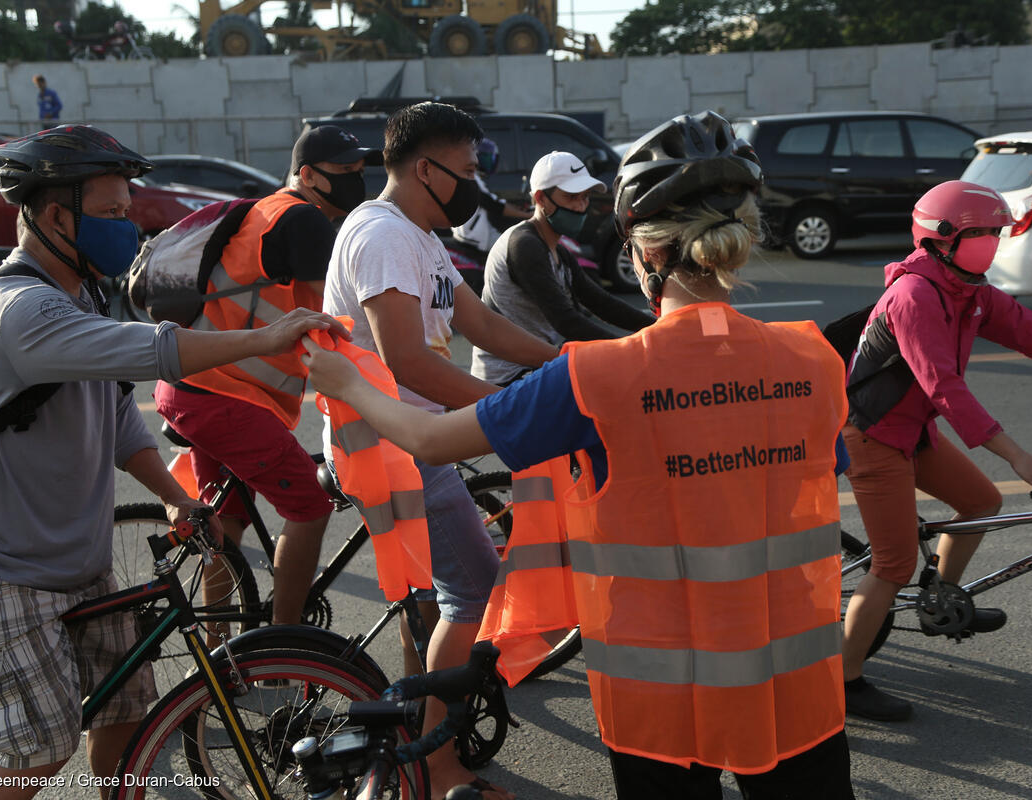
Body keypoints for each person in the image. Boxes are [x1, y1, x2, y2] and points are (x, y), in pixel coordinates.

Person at [308, 110, 855, 800]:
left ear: (645, 252)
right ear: (741, 240)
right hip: (793, 681)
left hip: (661, 694)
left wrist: (346, 381)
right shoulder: (813, 357)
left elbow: (425, 437)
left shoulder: (594, 378)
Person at [0, 124, 346, 800]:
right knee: (33, 753)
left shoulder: (82, 294)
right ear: (55, 217)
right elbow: (153, 351)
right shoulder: (15, 309)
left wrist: (174, 497)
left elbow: (119, 416)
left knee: (129, 720)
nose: (127, 228)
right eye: (111, 215)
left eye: (128, 213)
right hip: (0, 570)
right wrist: (267, 335)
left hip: (83, 564)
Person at [839, 179, 1032, 722]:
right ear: (938, 239)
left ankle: (942, 602)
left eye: (994, 233)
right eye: (977, 233)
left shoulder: (971, 292)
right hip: (874, 436)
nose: (990, 243)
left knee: (982, 503)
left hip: (915, 431)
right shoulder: (913, 295)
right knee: (893, 563)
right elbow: (945, 390)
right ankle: (844, 680)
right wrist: (1019, 457)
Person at [322, 100, 559, 800]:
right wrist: (518, 407)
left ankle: (414, 741)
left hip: (415, 440)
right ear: (424, 169)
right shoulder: (385, 236)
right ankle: (438, 767)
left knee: (436, 602)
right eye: (465, 169)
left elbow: (480, 322)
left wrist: (567, 364)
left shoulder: (418, 235)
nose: (474, 183)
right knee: (477, 591)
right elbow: (410, 364)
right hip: (395, 448)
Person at [153, 124, 380, 629]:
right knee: (310, 506)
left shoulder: (269, 209)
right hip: (225, 396)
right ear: (308, 176)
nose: (356, 181)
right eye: (345, 173)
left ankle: (215, 645)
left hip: (190, 383)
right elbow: (333, 322)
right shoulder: (304, 220)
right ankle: (283, 639)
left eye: (360, 172)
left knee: (225, 522)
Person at [471, 150, 655, 386]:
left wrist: (656, 326)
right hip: (509, 378)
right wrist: (626, 348)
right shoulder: (524, 245)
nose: (581, 206)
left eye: (585, 197)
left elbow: (599, 301)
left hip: (540, 367)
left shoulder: (557, 249)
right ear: (541, 199)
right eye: (571, 197)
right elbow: (566, 321)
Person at [450, 138, 530, 254]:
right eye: (487, 157)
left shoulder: (472, 177)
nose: (490, 161)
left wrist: (519, 209)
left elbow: (495, 201)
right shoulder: (472, 179)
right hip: (473, 235)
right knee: (514, 248)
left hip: (468, 232)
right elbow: (494, 205)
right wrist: (528, 215)